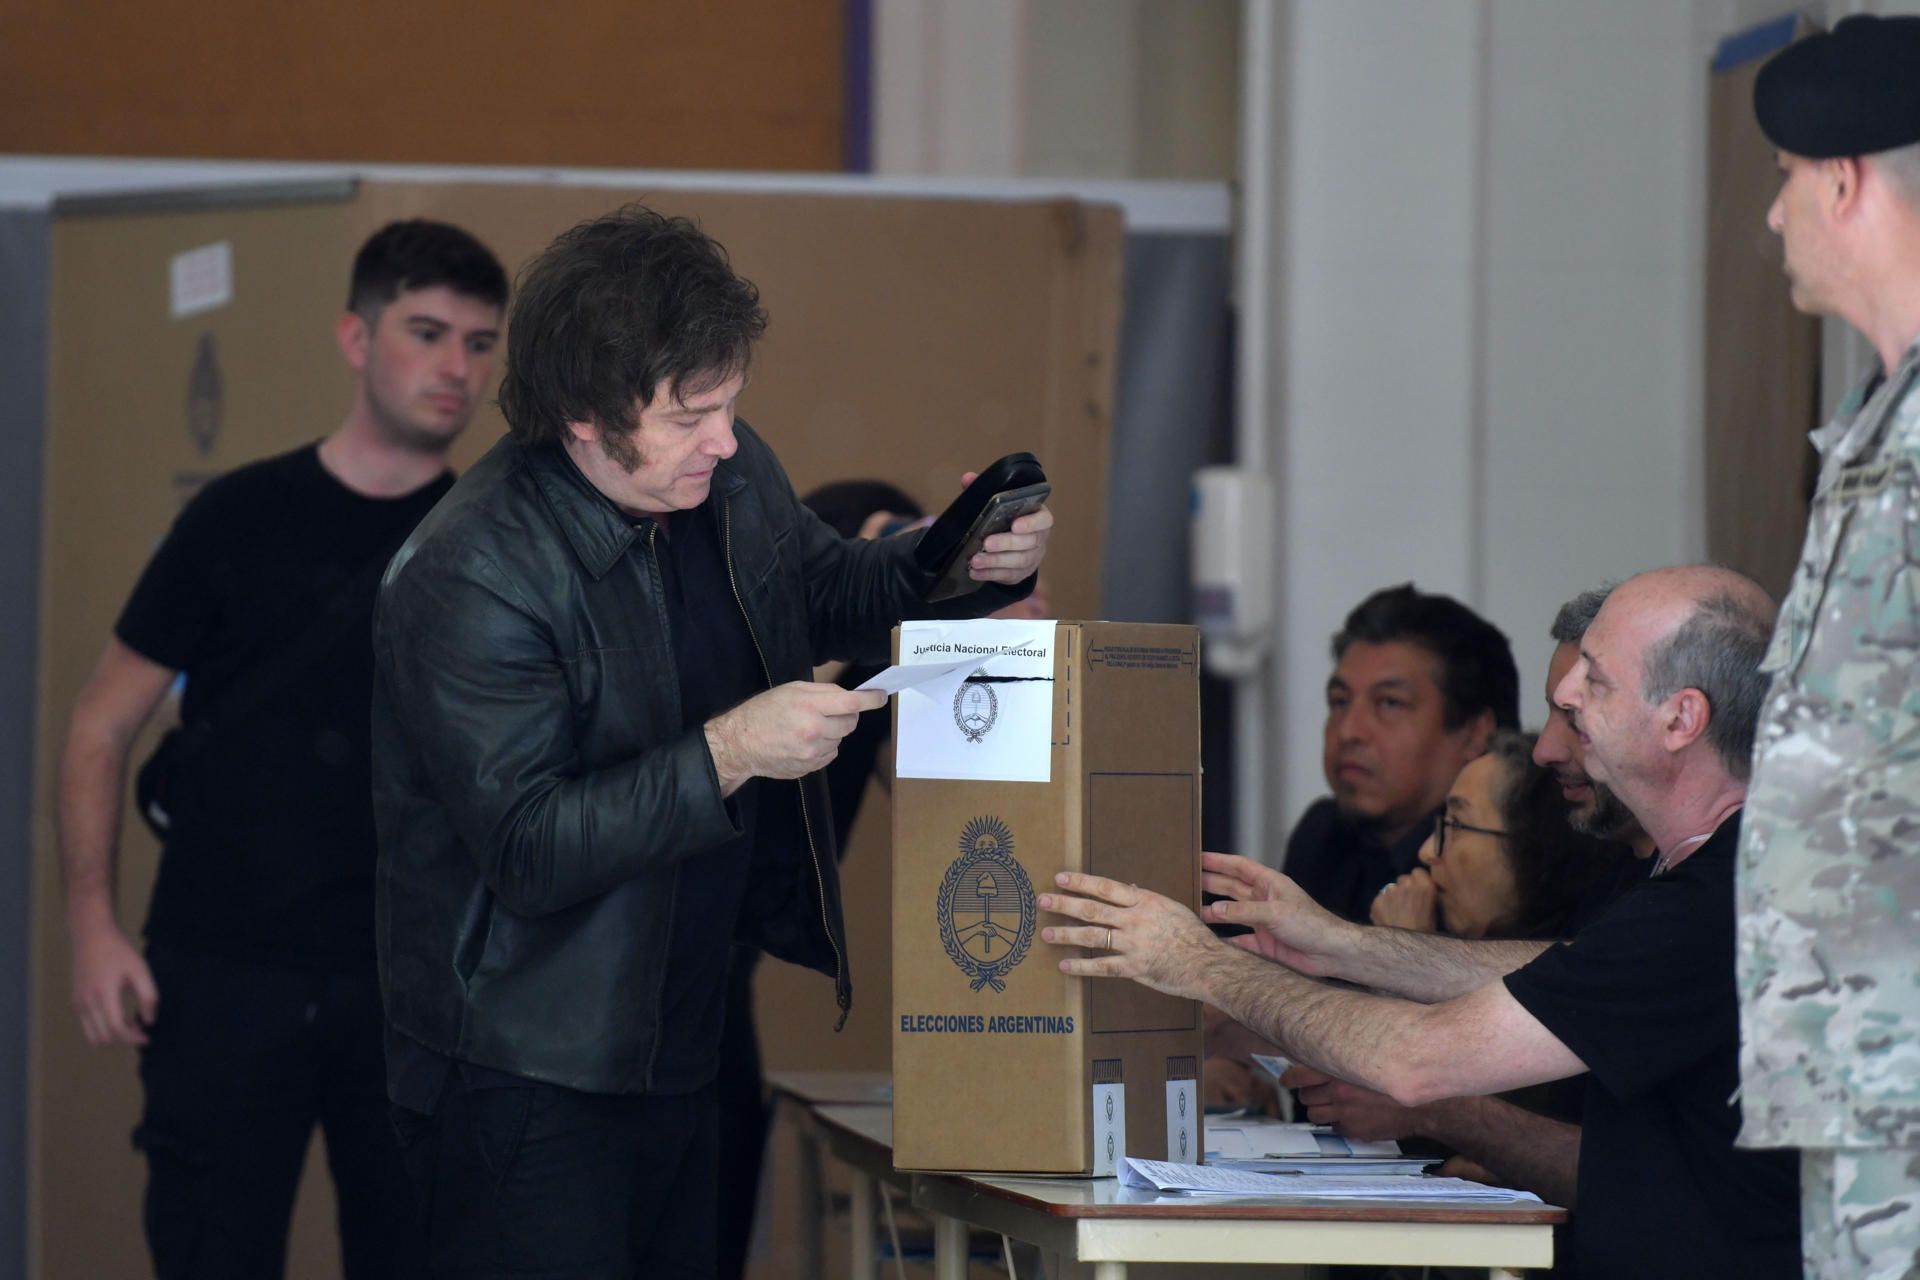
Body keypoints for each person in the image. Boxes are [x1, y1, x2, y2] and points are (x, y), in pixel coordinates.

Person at [372, 205, 1051, 1278]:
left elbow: (828, 587)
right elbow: (529, 845)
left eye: (731, 405)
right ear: (586, 417)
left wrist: (956, 557)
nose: (725, 439)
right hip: (524, 1069)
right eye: (694, 414)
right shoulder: (473, 572)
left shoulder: (723, 477)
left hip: (679, 1036)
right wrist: (729, 749)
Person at [1043, 566, 1801, 1279]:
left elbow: (1417, 1061)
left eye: (1593, 682)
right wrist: (1335, 940)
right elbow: (1555, 972)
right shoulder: (1717, 872)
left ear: (1681, 719)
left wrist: (1196, 963)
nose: (1561, 708)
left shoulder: (1721, 901)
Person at [55, 220, 508, 1278]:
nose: (456, 367)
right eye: (428, 331)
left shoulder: (491, 542)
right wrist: (91, 925)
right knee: (213, 1250)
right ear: (357, 337)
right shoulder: (237, 516)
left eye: (481, 343)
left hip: (416, 987)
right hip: (223, 967)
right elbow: (100, 720)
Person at [1742, 17, 1920, 1276]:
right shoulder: (1874, 429)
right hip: (1858, 1069)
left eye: (1788, 180)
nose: (1772, 216)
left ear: (1846, 180)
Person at [1282, 583, 1520, 923]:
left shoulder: (1491, 870)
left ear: (1474, 733)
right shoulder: (1322, 836)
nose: (1349, 731)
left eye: (1390, 703)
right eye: (1340, 701)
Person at [1369, 730, 1631, 941]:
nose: (1426, 852)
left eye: (1457, 825)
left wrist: (1408, 950)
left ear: (1532, 848)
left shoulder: (1585, 966)